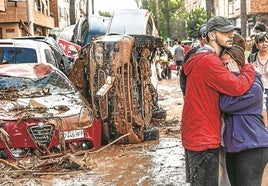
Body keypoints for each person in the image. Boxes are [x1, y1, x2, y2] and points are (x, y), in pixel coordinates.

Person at [181, 16, 255, 186]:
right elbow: (237, 87)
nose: (230, 35)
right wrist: (248, 68)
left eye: (231, 31)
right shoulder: (209, 61)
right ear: (212, 35)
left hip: (197, 132)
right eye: (225, 32)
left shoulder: (201, 57)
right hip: (202, 135)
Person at [220, 44, 268, 186]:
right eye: (222, 64)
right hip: (233, 146)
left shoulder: (254, 87)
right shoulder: (228, 83)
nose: (224, 68)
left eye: (228, 64)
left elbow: (225, 104)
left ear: (239, 63)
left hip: (252, 145)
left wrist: (234, 77)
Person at [180, 24, 207, 96]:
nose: (206, 39)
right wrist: (184, 92)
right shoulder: (192, 52)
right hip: (194, 92)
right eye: (204, 36)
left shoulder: (218, 51)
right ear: (200, 38)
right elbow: (184, 73)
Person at [248, 32, 268, 127]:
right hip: (258, 89)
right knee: (260, 116)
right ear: (256, 44)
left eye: (267, 41)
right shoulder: (252, 57)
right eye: (261, 42)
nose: (265, 44)